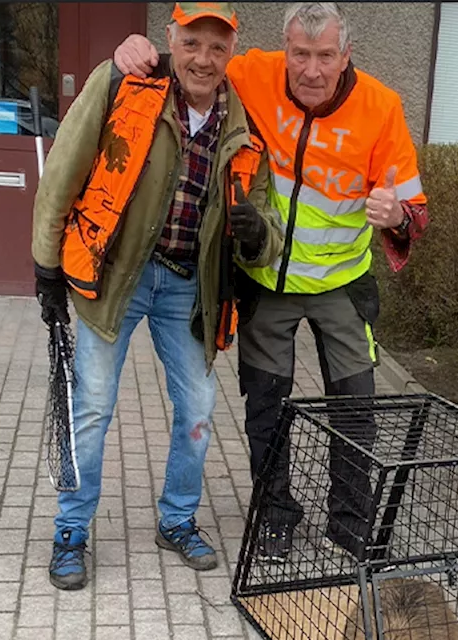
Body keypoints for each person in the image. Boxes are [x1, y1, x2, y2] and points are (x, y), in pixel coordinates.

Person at [113, 2, 429, 563]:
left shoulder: (382, 108)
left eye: (325, 56)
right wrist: (133, 54)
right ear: (284, 51)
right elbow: (193, 65)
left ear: (346, 54)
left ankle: (350, 522)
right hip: (266, 279)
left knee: (356, 408)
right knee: (267, 406)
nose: (310, 70)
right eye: (300, 55)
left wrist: (398, 217)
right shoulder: (252, 72)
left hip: (341, 285)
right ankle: (275, 514)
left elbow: (416, 213)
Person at [33, 2, 283, 590]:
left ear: (231, 54)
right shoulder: (125, 84)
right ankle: (71, 529)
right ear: (171, 37)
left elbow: (267, 231)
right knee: (91, 408)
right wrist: (46, 264)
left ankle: (175, 519)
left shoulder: (243, 130)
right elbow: (63, 169)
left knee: (198, 410)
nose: (203, 58)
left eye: (217, 47)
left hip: (187, 289)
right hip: (118, 273)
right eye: (192, 42)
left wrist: (255, 237)